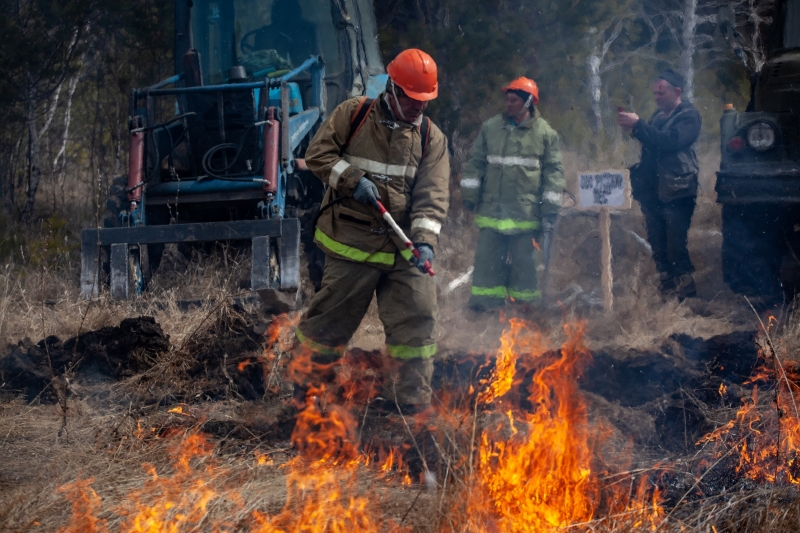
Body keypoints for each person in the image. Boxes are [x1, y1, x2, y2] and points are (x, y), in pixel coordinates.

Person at [293, 49, 450, 412]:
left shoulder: (431, 138)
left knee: (418, 319)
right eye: (413, 100)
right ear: (392, 90)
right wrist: (351, 179)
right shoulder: (354, 115)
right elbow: (318, 156)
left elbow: (432, 196)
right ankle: (305, 393)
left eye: (425, 101)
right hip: (352, 243)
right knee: (329, 322)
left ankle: (411, 404)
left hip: (403, 248)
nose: (419, 108)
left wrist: (424, 243)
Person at [460, 77, 565, 311]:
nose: (508, 104)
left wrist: (550, 209)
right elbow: (475, 163)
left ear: (528, 102)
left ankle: (524, 310)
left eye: (514, 100)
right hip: (492, 211)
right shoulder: (491, 128)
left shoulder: (545, 134)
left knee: (525, 265)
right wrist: (469, 193)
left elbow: (553, 172)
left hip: (525, 213)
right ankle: (485, 308)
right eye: (507, 100)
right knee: (487, 262)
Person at [617, 69, 701, 300]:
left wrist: (638, 126)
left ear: (677, 91)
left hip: (678, 191)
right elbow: (652, 143)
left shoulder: (688, 116)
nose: (657, 97)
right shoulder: (657, 117)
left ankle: (686, 293)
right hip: (653, 192)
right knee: (658, 244)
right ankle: (667, 288)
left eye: (661, 92)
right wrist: (635, 129)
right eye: (654, 93)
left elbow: (671, 142)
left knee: (675, 245)